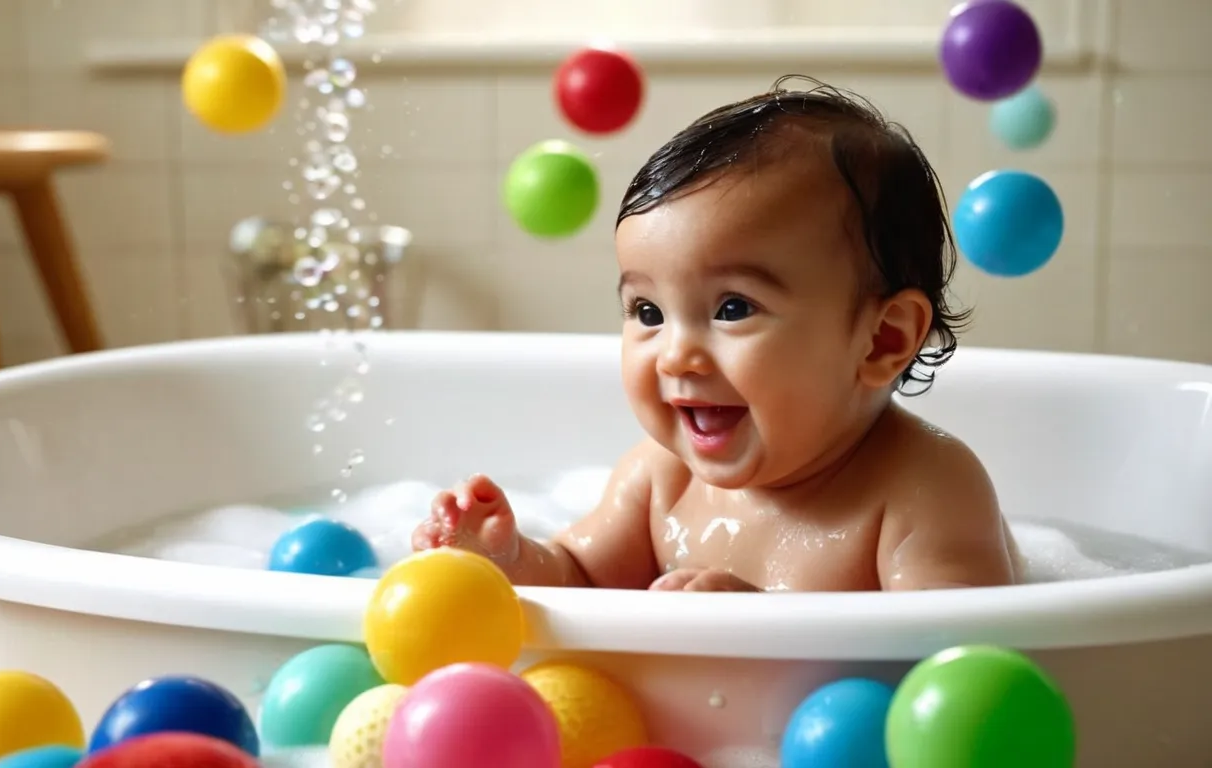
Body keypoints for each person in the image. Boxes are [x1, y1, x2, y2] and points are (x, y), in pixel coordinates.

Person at [411, 76, 1020, 592]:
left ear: (882, 340)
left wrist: (763, 632)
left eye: (732, 308)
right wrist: (506, 561)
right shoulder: (659, 479)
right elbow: (579, 580)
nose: (677, 354)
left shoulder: (925, 490)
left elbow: (958, 662)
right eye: (647, 312)